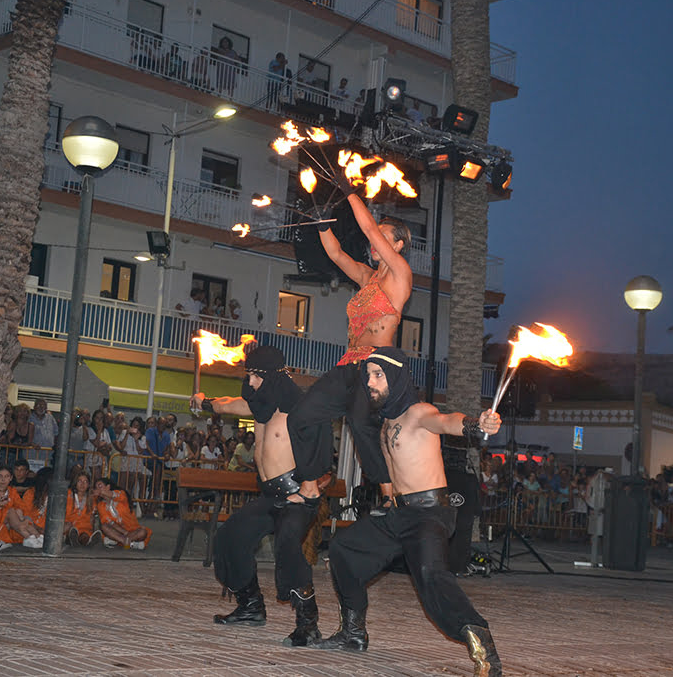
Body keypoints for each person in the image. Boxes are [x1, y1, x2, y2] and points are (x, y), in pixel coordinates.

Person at [314, 347, 502, 676]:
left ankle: (481, 642)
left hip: (429, 513)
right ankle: (353, 633)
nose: (370, 382)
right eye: (368, 375)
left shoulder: (418, 412)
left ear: (397, 377)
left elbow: (446, 422)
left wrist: (476, 424)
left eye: (378, 375)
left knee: (431, 576)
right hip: (398, 513)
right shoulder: (387, 420)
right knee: (344, 549)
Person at [192, 345, 331, 647]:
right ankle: (251, 607)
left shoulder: (300, 407)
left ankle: (308, 625)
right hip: (271, 497)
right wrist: (205, 403)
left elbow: (320, 447)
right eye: (249, 376)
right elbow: (229, 404)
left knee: (288, 548)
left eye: (255, 376)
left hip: (297, 496)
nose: (250, 382)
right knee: (231, 537)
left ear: (271, 376)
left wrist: (308, 491)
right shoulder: (261, 404)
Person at [286, 194, 412, 506]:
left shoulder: (400, 273)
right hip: (349, 362)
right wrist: (323, 221)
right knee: (301, 415)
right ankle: (314, 480)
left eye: (385, 235)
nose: (376, 238)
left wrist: (350, 194)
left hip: (379, 364)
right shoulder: (368, 277)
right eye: (377, 233)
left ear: (397, 246)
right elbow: (336, 253)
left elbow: (368, 229)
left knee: (359, 422)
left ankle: (387, 493)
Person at [93, 477, 151, 549]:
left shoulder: (121, 494)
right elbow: (110, 523)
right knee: (104, 526)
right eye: (96, 488)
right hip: (118, 532)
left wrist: (100, 492)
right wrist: (125, 533)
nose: (97, 490)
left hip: (133, 530)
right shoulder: (101, 505)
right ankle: (128, 542)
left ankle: (118, 541)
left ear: (108, 487)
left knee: (143, 532)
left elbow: (113, 495)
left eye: (100, 486)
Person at [66, 470, 100, 546]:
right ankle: (72, 539)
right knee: (72, 532)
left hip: (85, 527)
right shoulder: (68, 494)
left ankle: (86, 541)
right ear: (75, 483)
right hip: (70, 526)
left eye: (85, 481)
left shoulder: (92, 498)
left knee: (85, 536)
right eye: (79, 481)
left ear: (88, 484)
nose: (82, 484)